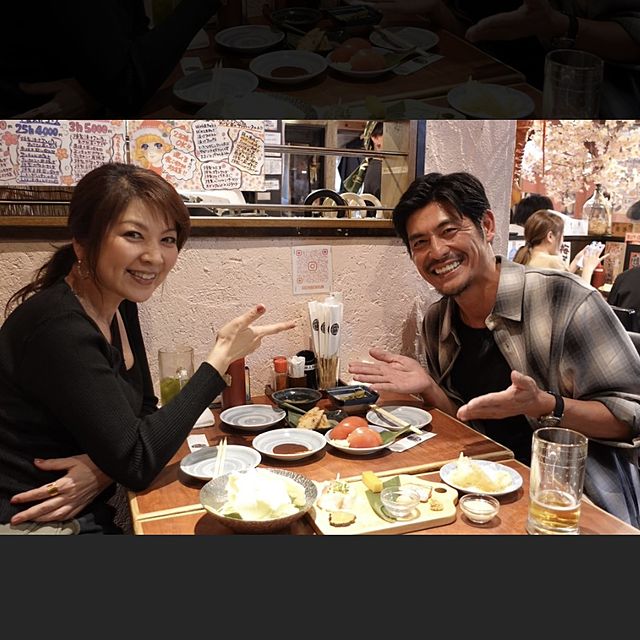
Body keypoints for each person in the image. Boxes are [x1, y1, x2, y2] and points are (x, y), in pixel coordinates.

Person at [0, 162, 296, 534]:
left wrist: (103, 468)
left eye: (167, 239)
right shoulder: (60, 327)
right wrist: (220, 357)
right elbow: (138, 461)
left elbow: (142, 412)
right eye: (133, 235)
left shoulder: (120, 304)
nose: (154, 257)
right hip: (34, 519)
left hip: (86, 509)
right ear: (83, 242)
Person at [348, 171, 640, 527]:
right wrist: (429, 387)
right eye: (420, 242)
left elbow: (631, 418)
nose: (437, 251)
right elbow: (467, 419)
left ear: (486, 225)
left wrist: (545, 405)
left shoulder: (564, 299)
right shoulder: (438, 320)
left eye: (448, 231)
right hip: (479, 495)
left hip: (572, 504)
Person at [345, 0, 640, 117]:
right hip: (498, 84)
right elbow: (478, 34)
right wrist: (436, 9)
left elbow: (633, 37)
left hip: (595, 97)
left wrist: (559, 24)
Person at [1, 0, 224, 118]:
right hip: (32, 132)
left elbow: (135, 38)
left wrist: (98, 91)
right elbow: (127, 86)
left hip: (87, 112)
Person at [512, 208, 605, 283]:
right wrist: (588, 268)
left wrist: (576, 261)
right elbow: (580, 296)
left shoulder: (523, 256)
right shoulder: (552, 261)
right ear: (550, 236)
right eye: (561, 235)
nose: (562, 241)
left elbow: (561, 281)